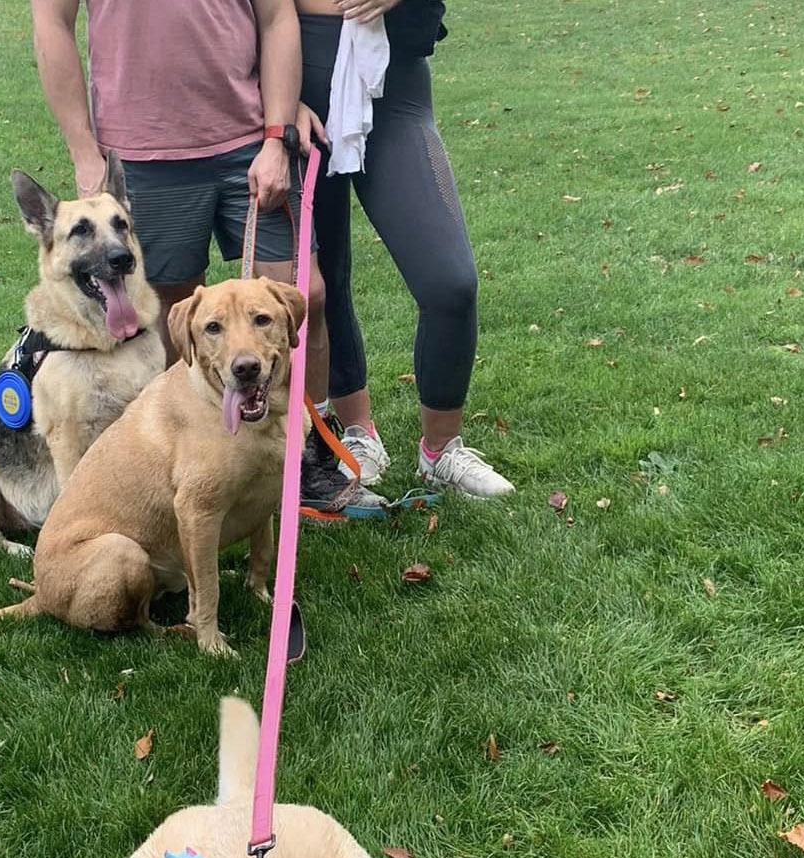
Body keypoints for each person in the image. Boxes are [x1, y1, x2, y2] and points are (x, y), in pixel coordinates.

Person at [30, 0, 385, 513]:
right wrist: (84, 150)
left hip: (246, 139)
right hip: (143, 156)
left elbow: (277, 17)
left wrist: (276, 135)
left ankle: (307, 453)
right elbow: (51, 24)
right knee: (177, 321)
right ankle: (196, 458)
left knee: (303, 295)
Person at [297, 0, 514, 497]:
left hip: (394, 86)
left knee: (450, 282)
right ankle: (356, 434)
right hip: (297, 92)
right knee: (321, 284)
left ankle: (441, 451)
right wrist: (276, 101)